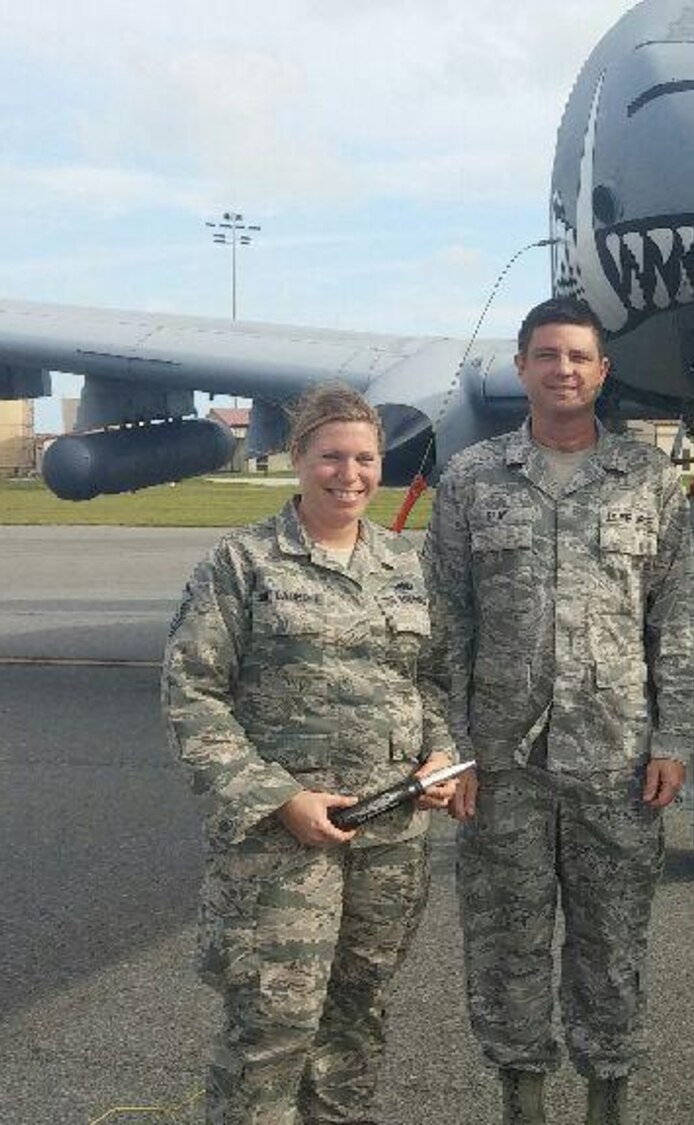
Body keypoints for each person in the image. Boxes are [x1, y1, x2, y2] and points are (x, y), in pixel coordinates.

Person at [427, 296, 694, 1125]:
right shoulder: (472, 479)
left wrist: (676, 737)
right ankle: (522, 1102)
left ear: (602, 370)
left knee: (611, 945)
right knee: (507, 945)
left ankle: (607, 1101)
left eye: (579, 356)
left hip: (616, 759)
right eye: (546, 355)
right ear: (522, 368)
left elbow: (677, 618)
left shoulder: (649, 482)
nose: (563, 370)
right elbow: (446, 624)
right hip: (502, 763)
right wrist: (453, 744)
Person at [162, 382, 459, 1125]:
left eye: (364, 457)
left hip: (390, 841)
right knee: (270, 1030)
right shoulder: (243, 564)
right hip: (280, 847)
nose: (349, 473)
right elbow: (192, 697)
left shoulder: (405, 564)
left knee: (355, 1024)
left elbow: (433, 680)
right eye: (331, 456)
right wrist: (278, 799)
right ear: (297, 457)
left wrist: (440, 759)